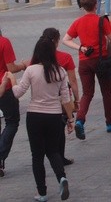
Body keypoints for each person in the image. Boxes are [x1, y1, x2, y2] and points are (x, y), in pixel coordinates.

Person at [0, 37, 74, 202]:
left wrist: (12, 80)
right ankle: (61, 177)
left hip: (35, 116)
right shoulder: (60, 71)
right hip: (54, 116)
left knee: (37, 155)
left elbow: (18, 93)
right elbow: (65, 99)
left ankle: (42, 193)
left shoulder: (31, 70)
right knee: (53, 151)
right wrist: (70, 119)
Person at [62, 0, 111, 140]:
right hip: (101, 61)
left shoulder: (78, 22)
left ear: (83, 6)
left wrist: (80, 48)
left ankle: (80, 121)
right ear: (96, 5)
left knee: (87, 93)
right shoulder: (101, 21)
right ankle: (110, 122)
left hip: (84, 61)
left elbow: (66, 39)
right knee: (106, 92)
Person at [38, 28, 79, 166]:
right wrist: (77, 99)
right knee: (60, 126)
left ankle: (50, 155)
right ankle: (59, 156)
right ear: (56, 41)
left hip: (42, 96)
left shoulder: (37, 58)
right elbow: (73, 80)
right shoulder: (65, 57)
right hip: (61, 96)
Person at [0, 26, 22, 177]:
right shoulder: (3, 42)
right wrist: (24, 65)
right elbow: (11, 68)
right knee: (12, 122)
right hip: (4, 87)